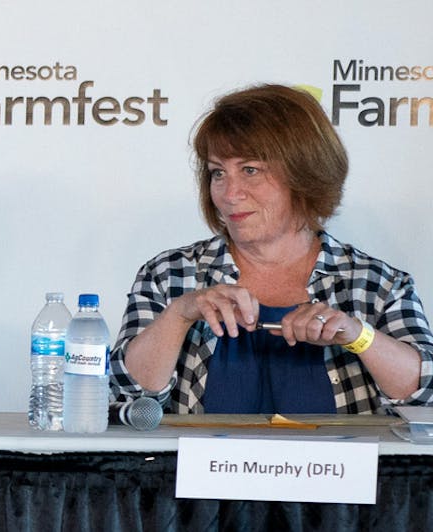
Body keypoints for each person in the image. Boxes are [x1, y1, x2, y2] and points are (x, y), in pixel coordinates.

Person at [110, 84, 433, 414]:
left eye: (250, 170)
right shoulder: (169, 275)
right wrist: (179, 315)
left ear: (304, 174)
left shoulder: (376, 283)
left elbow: (424, 394)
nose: (229, 193)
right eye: (217, 172)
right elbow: (128, 397)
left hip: (327, 469)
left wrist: (357, 335)